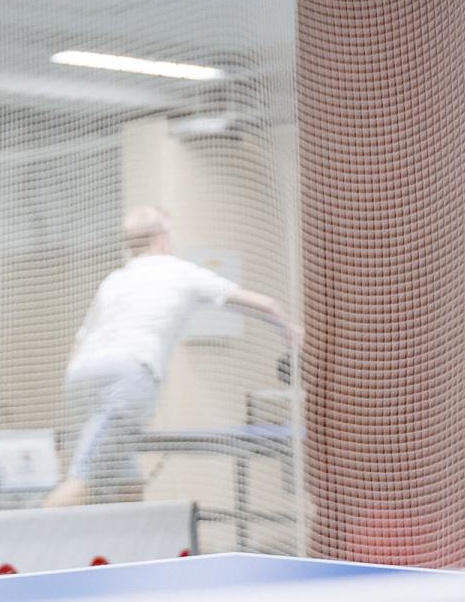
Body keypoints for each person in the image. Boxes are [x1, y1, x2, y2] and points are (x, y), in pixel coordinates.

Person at [44, 206, 296, 506]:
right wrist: (292, 331)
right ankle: (25, 533)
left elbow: (80, 340)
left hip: (81, 378)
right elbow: (265, 305)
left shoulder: (114, 280)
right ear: (162, 236)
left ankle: (133, 536)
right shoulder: (179, 271)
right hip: (127, 377)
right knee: (84, 480)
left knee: (127, 482)